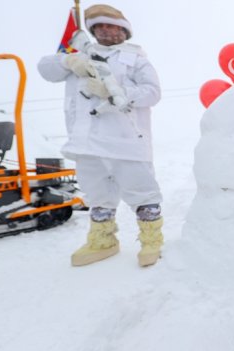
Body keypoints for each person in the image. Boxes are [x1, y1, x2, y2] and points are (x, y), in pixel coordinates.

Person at [37, 4, 163, 267]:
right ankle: (103, 240)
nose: (105, 30)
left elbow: (152, 92)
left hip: (125, 140)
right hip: (85, 142)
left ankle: (151, 239)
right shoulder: (80, 54)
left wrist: (116, 91)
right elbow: (45, 69)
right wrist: (69, 60)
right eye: (99, 26)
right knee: (97, 193)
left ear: (123, 30)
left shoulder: (135, 58)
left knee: (141, 191)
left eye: (110, 25)